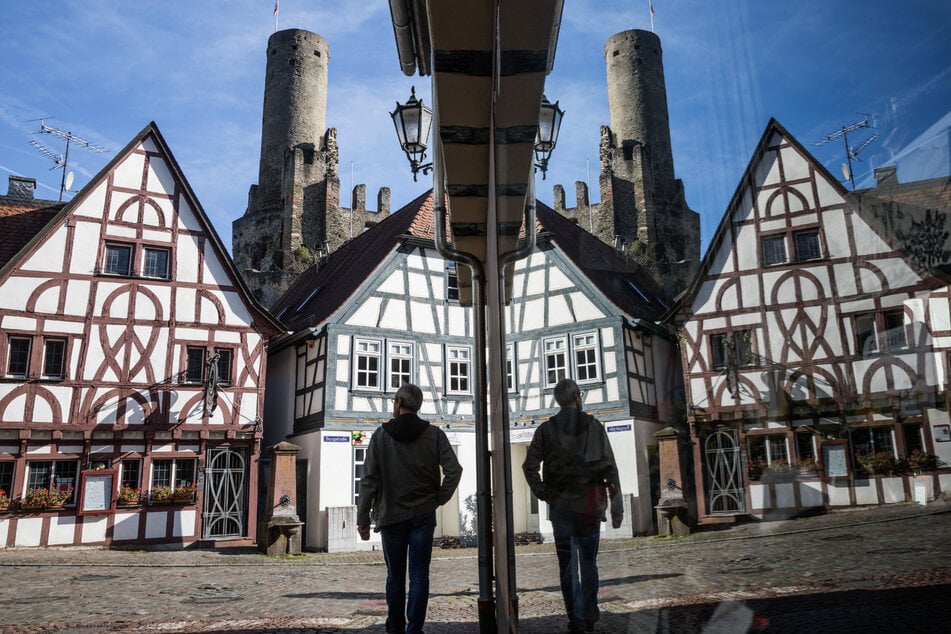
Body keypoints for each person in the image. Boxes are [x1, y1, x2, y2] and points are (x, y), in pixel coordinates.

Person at [357, 383, 463, 634]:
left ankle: (396, 627)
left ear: (398, 403)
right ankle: (414, 629)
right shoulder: (434, 435)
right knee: (419, 575)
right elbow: (454, 470)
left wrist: (363, 518)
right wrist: (439, 498)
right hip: (422, 515)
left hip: (391, 515)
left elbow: (369, 479)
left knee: (395, 575)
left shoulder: (380, 436)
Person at [522, 378, 623, 633]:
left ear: (558, 400)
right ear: (577, 397)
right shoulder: (594, 427)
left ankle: (575, 619)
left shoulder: (546, 430)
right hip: (589, 506)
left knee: (567, 566)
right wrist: (617, 504)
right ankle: (589, 616)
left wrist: (544, 493)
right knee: (588, 563)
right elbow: (609, 467)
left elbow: (529, 466)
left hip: (561, 508)